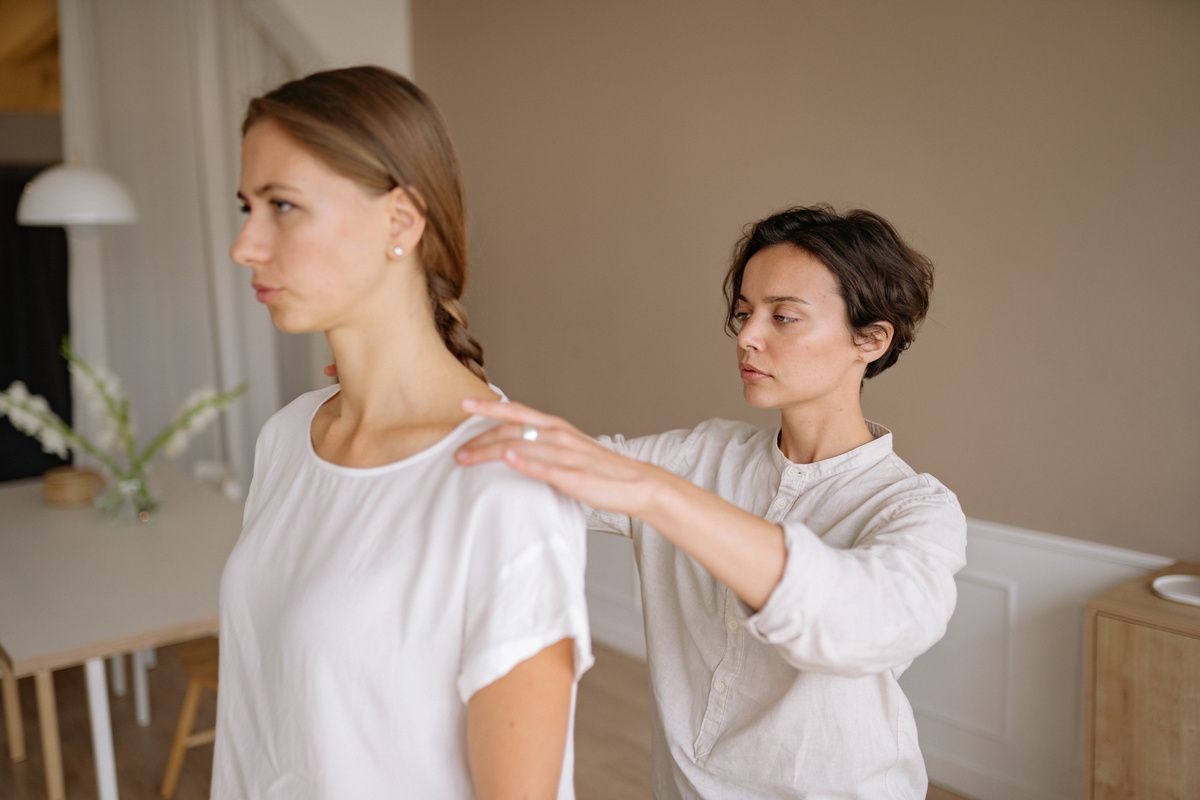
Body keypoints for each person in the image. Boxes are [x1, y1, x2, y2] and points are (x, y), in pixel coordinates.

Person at [454, 205, 968, 799]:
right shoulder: (705, 454)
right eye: (746, 313)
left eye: (785, 317)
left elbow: (866, 622)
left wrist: (659, 495)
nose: (748, 336)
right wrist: (417, 385)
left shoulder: (916, 508)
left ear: (871, 340)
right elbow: (542, 471)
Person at [213, 66, 592, 800]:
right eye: (246, 206)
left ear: (400, 221)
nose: (245, 245)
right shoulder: (288, 438)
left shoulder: (504, 485)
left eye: (282, 206)